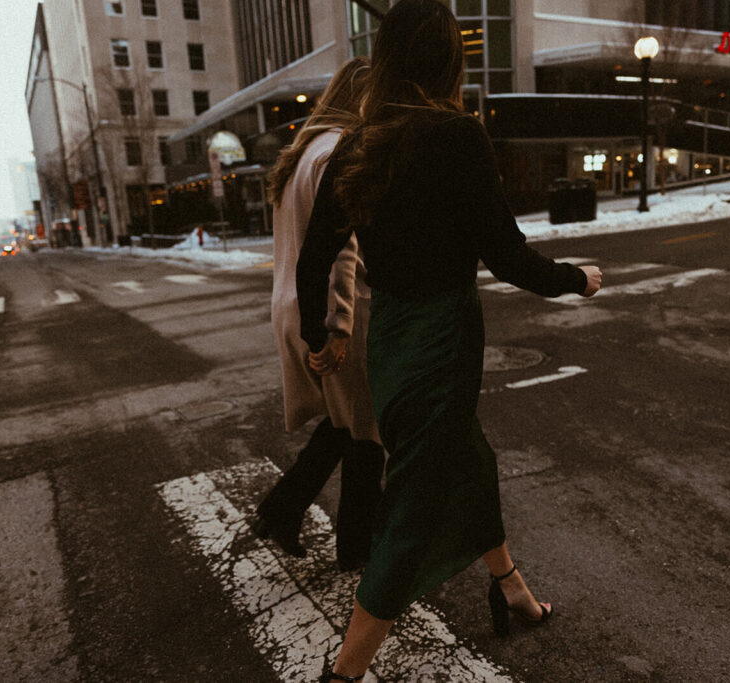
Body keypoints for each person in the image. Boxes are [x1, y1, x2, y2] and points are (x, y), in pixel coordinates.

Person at [296, 1, 603, 680]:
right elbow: (507, 256)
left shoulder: (359, 143)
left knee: (469, 459)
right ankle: (344, 673)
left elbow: (313, 259)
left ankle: (511, 587)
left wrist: (317, 334)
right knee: (411, 509)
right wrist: (578, 278)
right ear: (447, 60)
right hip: (444, 341)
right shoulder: (458, 136)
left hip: (392, 342)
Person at [253, 57, 385, 571]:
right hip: (330, 310)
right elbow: (341, 248)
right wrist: (339, 325)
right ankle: (358, 550)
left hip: (291, 305)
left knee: (341, 421)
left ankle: (281, 510)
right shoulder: (338, 153)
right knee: (366, 430)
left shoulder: (304, 152)